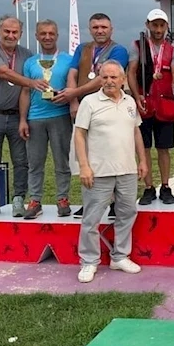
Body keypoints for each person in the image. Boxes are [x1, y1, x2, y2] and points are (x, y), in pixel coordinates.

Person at [75, 60, 148, 283]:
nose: (109, 81)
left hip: (127, 170)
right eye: (105, 77)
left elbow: (136, 132)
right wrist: (84, 166)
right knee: (92, 218)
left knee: (127, 214)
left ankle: (120, 256)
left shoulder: (130, 102)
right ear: (100, 79)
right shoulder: (89, 102)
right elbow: (79, 134)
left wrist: (142, 160)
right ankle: (89, 261)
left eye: (114, 77)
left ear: (123, 79)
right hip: (98, 171)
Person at [54, 12, 130, 219]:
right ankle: (89, 201)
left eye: (104, 27)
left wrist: (74, 93)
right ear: (90, 30)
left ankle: (114, 202)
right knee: (85, 156)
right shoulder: (82, 49)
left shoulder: (119, 50)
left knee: (110, 154)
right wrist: (73, 101)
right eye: (95, 27)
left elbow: (103, 78)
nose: (100, 31)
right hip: (83, 108)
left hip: (107, 107)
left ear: (111, 29)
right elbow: (72, 74)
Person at [0, 15, 49, 219]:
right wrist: (31, 82)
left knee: (21, 160)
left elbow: (38, 75)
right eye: (6, 31)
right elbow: (4, 73)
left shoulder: (26, 54)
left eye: (15, 32)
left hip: (18, 115)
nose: (10, 35)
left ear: (20, 34)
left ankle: (19, 199)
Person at [127, 9, 174, 206]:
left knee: (164, 148)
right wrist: (136, 96)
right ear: (148, 25)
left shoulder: (172, 50)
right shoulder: (138, 46)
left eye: (162, 25)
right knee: (144, 148)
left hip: (164, 105)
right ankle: (148, 187)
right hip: (144, 104)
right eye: (155, 25)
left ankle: (165, 186)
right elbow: (131, 72)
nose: (158, 29)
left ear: (167, 26)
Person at [18, 20, 74, 219]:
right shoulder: (30, 63)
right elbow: (25, 91)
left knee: (62, 161)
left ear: (57, 35)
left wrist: (66, 97)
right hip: (35, 118)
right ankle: (35, 200)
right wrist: (23, 119)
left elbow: (72, 87)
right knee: (35, 163)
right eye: (43, 33)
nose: (47, 37)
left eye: (51, 33)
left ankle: (63, 198)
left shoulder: (68, 60)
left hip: (60, 116)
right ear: (37, 36)